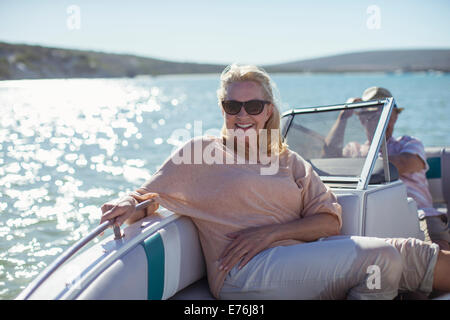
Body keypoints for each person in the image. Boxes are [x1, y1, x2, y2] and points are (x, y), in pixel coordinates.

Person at [100, 65, 450, 300]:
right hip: (242, 271)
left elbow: (329, 218)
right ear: (222, 109)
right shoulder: (200, 153)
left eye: (253, 105)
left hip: (294, 253)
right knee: (380, 259)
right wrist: (129, 205)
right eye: (232, 105)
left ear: (268, 110)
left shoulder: (287, 159)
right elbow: (147, 195)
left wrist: (272, 233)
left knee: (408, 251)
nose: (242, 115)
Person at [324, 87, 450, 250]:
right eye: (372, 114)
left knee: (436, 253)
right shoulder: (353, 149)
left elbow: (404, 164)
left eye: (387, 114)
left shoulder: (408, 143)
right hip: (371, 219)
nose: (381, 120)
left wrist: (356, 164)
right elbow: (326, 156)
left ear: (395, 117)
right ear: (362, 119)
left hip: (419, 214)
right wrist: (343, 116)